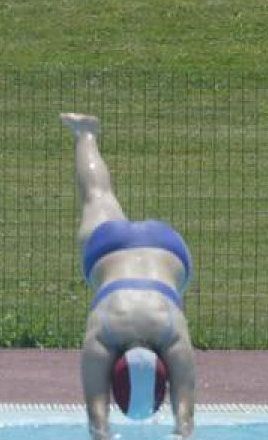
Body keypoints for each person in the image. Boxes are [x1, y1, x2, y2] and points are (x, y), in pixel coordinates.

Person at [62, 113, 196, 440]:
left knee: (99, 196)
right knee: (96, 196)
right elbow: (99, 425)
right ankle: (85, 134)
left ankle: (85, 133)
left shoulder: (169, 333)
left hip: (166, 248)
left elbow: (185, 424)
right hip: (111, 252)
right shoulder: (105, 336)